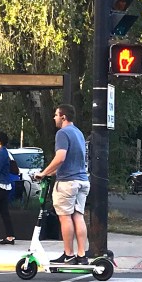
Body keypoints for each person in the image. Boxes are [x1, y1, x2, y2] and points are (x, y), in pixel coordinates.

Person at [35, 103, 90, 264]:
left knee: (65, 218)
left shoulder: (62, 133)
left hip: (67, 183)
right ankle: (81, 255)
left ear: (63, 117)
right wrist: (51, 172)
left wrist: (43, 173)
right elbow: (72, 162)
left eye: (56, 115)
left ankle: (68, 254)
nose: (54, 118)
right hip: (82, 181)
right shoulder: (78, 133)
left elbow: (61, 158)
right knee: (78, 216)